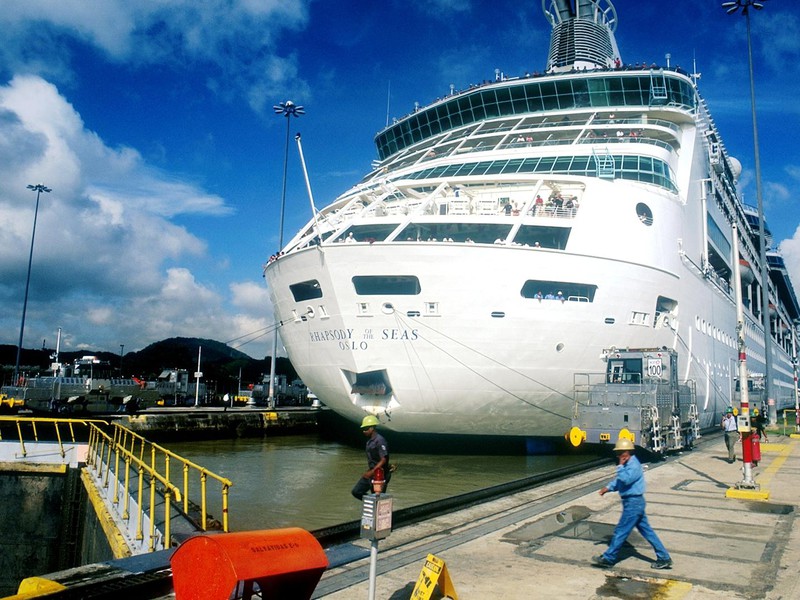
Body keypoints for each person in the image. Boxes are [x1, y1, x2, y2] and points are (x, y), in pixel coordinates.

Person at [593, 438, 672, 569]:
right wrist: (608, 488)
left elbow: (625, 479)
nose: (618, 456)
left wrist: (619, 466)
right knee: (647, 532)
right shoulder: (628, 465)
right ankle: (664, 557)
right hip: (634, 503)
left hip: (633, 503)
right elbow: (620, 481)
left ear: (627, 452)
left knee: (621, 531)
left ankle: (609, 557)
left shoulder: (633, 465)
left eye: (620, 453)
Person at [351, 415, 391, 501]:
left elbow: (383, 459)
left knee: (377, 497)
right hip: (372, 471)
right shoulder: (370, 441)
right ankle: (371, 503)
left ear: (372, 428)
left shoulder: (380, 441)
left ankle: (377, 508)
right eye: (363, 429)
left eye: (366, 429)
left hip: (380, 475)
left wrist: (372, 472)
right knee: (356, 491)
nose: (363, 431)